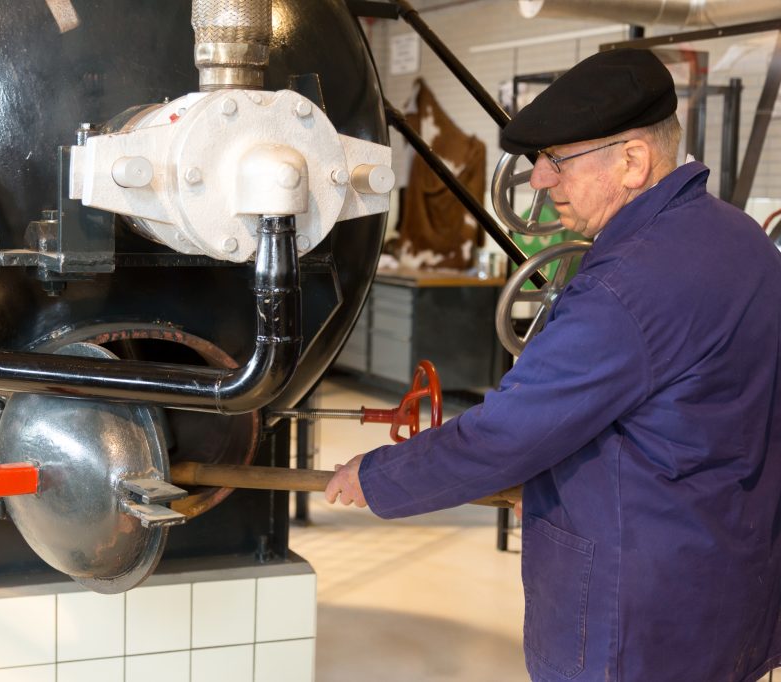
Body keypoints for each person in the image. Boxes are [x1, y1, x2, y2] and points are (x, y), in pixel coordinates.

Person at [325, 48, 781, 682]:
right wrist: (553, 490)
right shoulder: (744, 242)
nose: (539, 181)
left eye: (556, 161)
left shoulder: (625, 287)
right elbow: (689, 422)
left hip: (632, 627)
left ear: (632, 161)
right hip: (728, 597)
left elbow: (506, 434)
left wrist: (377, 476)